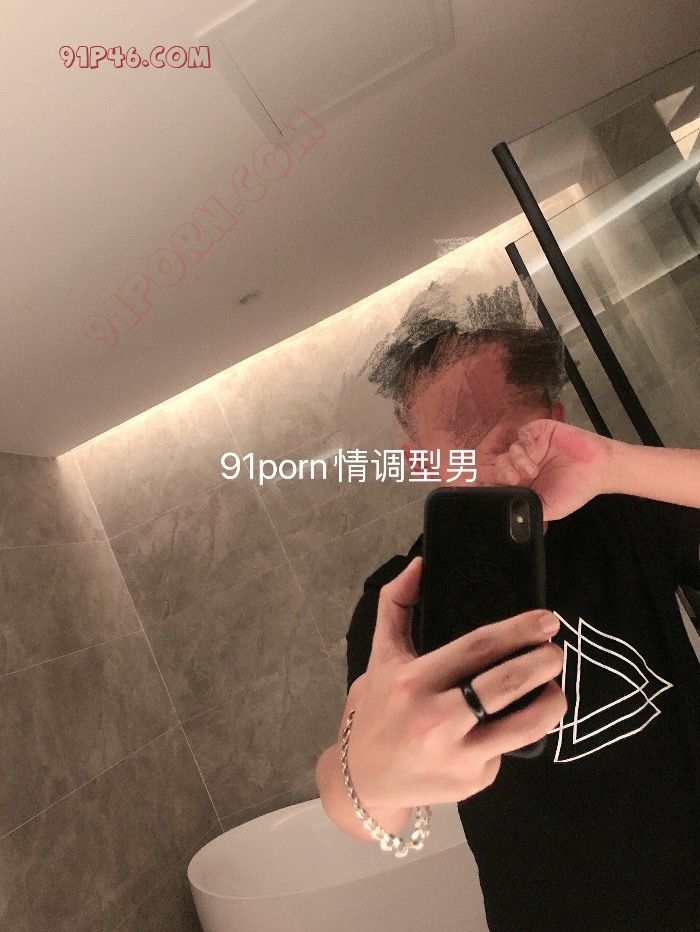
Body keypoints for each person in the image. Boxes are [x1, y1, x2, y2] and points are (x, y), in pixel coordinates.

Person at [314, 281, 700, 931]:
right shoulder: (401, 598)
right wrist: (369, 776)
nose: (488, 461)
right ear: (418, 460)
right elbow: (351, 787)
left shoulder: (623, 516)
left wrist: (613, 465)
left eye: (506, 432)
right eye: (458, 441)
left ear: (555, 419)